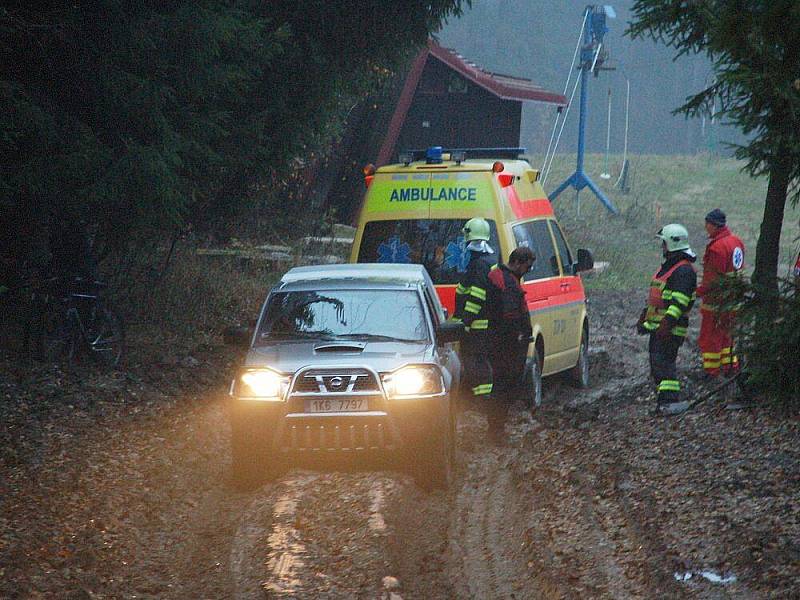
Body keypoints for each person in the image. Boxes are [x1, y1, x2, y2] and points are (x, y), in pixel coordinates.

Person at [636, 224, 697, 415]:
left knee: (664, 365)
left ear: (672, 244)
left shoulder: (683, 271)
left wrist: (667, 322)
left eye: (664, 243)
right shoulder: (671, 267)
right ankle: (665, 402)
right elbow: (659, 295)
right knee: (658, 365)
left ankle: (669, 402)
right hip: (660, 327)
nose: (662, 247)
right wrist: (645, 316)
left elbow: (679, 302)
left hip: (670, 328)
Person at [486, 246, 535, 443]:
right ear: (516, 263)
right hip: (506, 345)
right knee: (503, 388)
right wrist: (520, 336)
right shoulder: (508, 284)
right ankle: (496, 431)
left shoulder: (503, 278)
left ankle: (496, 428)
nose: (528, 271)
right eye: (527, 267)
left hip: (503, 342)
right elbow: (511, 316)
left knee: (503, 387)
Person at [452, 218, 497, 410]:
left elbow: (477, 296)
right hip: (483, 324)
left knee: (475, 362)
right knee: (476, 361)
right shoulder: (488, 261)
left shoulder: (479, 264)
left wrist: (466, 322)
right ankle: (479, 398)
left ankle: (482, 400)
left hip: (478, 326)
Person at [696, 208, 745, 379]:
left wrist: (697, 292)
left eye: (707, 224)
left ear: (714, 225)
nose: (705, 227)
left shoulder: (716, 248)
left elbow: (711, 280)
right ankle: (730, 366)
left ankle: (712, 372)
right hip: (734, 300)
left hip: (715, 303)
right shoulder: (737, 242)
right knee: (727, 337)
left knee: (710, 338)